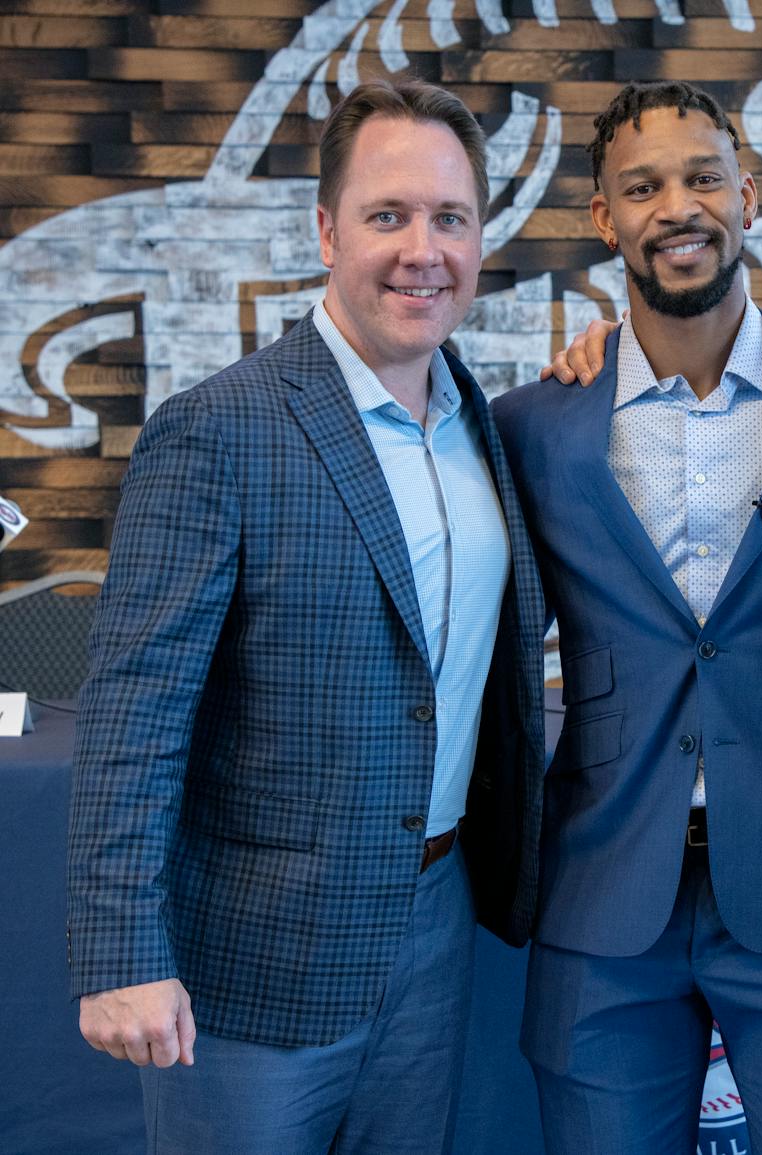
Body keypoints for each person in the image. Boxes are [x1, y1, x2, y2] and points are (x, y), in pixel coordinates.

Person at [66, 79, 545, 1155]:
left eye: (450, 218)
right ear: (326, 229)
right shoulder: (215, 432)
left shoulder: (485, 428)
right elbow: (132, 712)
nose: (423, 249)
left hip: (433, 928)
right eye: (389, 215)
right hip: (250, 958)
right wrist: (121, 954)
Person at [491, 81, 762, 1154]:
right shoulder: (532, 424)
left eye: (702, 178)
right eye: (642, 187)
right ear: (604, 219)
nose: (676, 206)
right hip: (599, 895)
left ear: (749, 195)